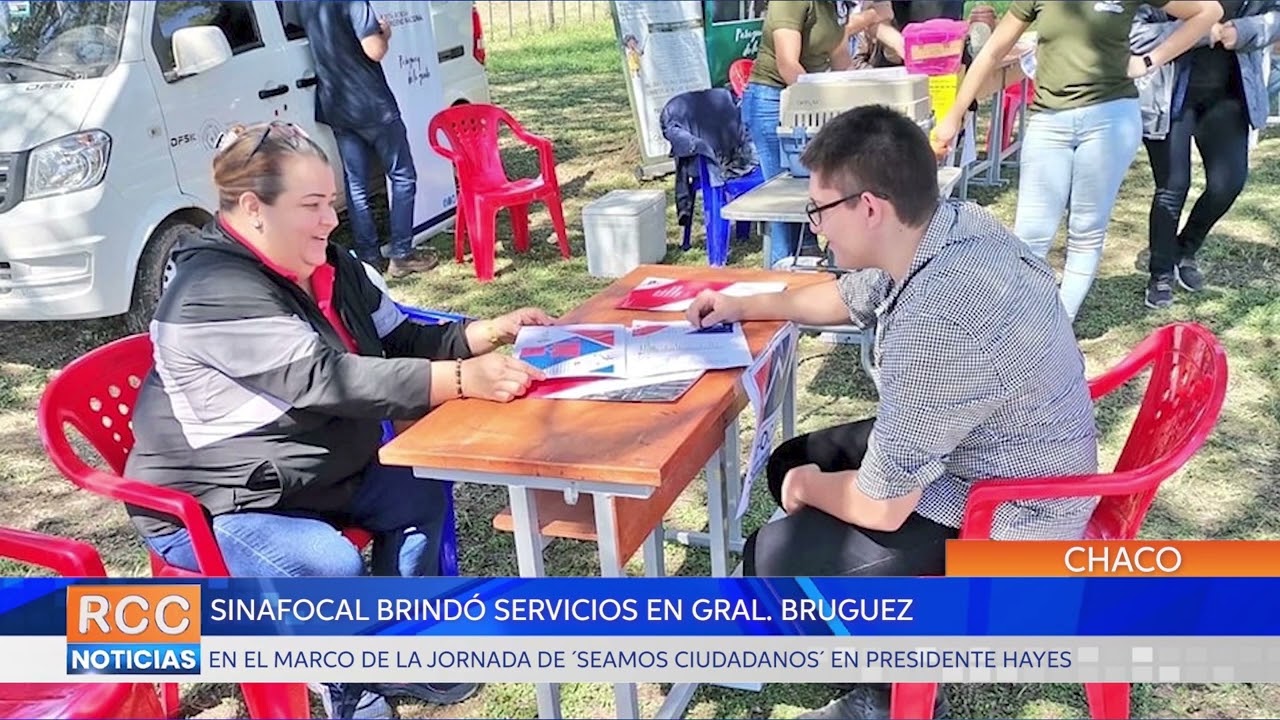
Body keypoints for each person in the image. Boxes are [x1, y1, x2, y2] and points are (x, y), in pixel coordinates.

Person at [124, 121, 553, 719]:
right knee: (329, 567)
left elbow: (395, 335)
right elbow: (328, 378)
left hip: (307, 473)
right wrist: (460, 380)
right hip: (212, 502)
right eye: (311, 205)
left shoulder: (331, 263)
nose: (331, 218)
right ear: (253, 209)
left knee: (421, 483)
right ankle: (348, 682)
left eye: (330, 202)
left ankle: (394, 650)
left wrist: (479, 336)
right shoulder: (211, 290)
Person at [685, 105, 1100, 720]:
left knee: (773, 563)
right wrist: (743, 304)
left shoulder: (940, 319)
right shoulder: (945, 227)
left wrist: (809, 487)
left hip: (1010, 513)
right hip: (989, 453)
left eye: (820, 212)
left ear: (870, 207)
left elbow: (883, 503)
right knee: (789, 462)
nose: (817, 229)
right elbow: (846, 295)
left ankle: (890, 694)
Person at [932, 0, 1222, 322]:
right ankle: (1018, 323)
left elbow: (1208, 12)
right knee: (1030, 235)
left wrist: (1149, 61)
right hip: (1049, 121)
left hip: (1110, 120)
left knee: (1086, 230)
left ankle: (1058, 328)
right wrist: (954, 114)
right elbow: (992, 52)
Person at [1132, 1, 1280, 309]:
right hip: (1170, 94)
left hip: (1228, 95)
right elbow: (1134, 33)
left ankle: (1185, 248)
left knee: (1229, 183)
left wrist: (1245, 31)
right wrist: (1199, 31)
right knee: (1173, 186)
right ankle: (1160, 273)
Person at [743, 0, 892, 268]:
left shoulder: (834, 6)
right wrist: (820, 104)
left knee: (813, 193)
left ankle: (813, 269)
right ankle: (781, 273)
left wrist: (868, 99)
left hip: (807, 100)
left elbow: (841, 65)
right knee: (783, 201)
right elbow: (788, 64)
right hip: (772, 99)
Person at [294, 1, 438, 279]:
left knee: (356, 183)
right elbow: (374, 50)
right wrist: (384, 32)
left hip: (336, 104)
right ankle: (401, 253)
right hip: (371, 103)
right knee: (403, 176)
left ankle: (368, 258)